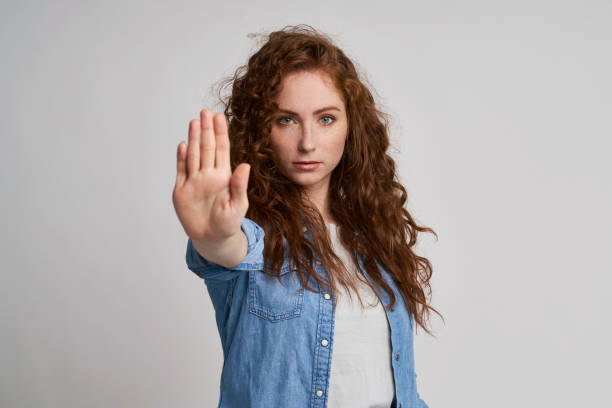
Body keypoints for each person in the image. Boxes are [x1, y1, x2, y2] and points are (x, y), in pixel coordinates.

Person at [172, 24, 441, 408]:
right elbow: (227, 247)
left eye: (326, 118)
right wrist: (213, 235)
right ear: (261, 129)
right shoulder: (253, 236)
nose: (308, 142)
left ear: (351, 127)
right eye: (286, 119)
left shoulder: (371, 236)